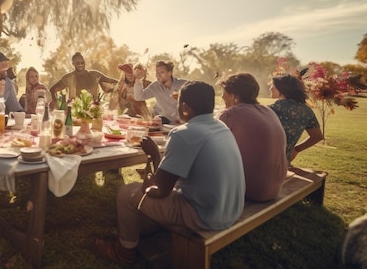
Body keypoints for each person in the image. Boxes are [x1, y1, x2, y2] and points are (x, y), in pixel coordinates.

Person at [94, 81, 245, 265]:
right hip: (231, 209)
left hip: (205, 217)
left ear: (185, 107)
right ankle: (147, 227)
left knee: (127, 193)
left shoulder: (184, 133)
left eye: (178, 103)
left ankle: (125, 250)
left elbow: (159, 190)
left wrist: (154, 159)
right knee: (156, 193)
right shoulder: (222, 128)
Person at [218, 73, 288, 202]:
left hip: (251, 189)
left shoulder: (230, 114)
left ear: (234, 96)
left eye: (224, 93)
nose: (222, 96)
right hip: (274, 187)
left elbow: (210, 146)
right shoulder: (268, 111)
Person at [269, 74, 323, 162]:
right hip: (284, 163)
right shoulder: (307, 111)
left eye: (273, 85)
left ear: (282, 88)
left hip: (263, 161)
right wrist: (296, 149)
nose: (270, 88)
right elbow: (317, 136)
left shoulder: (270, 110)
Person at [48, 52, 117, 110]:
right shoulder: (68, 77)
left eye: (82, 62)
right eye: (77, 63)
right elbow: (52, 90)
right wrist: (56, 105)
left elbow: (111, 82)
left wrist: (124, 81)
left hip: (93, 112)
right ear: (73, 64)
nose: (80, 64)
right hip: (75, 112)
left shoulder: (95, 75)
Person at [133, 60, 187, 124]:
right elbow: (139, 97)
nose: (158, 75)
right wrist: (138, 80)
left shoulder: (184, 84)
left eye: (161, 72)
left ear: (169, 73)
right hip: (165, 123)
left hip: (183, 123)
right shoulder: (155, 86)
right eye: (156, 72)